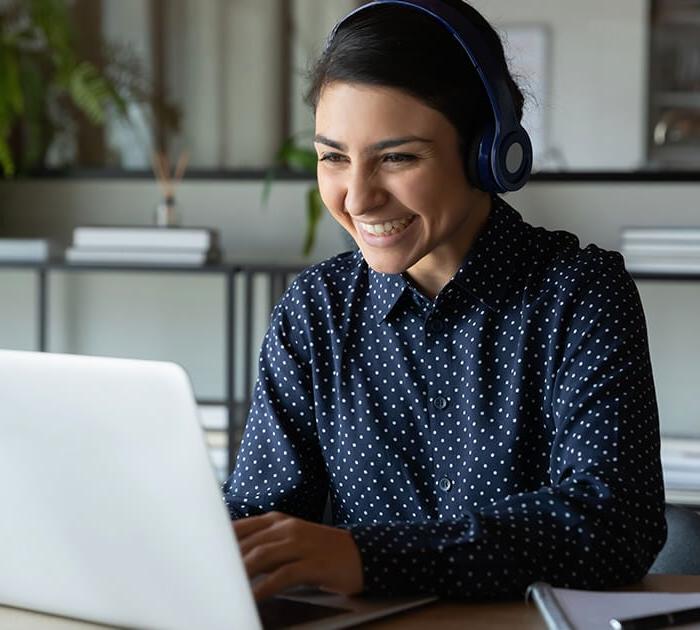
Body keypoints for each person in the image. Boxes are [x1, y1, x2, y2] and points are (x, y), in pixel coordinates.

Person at [223, 0, 666, 603]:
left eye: (398, 157)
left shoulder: (580, 294)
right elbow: (258, 515)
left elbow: (613, 525)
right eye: (333, 157)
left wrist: (369, 559)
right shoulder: (315, 309)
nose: (357, 197)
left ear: (488, 152)